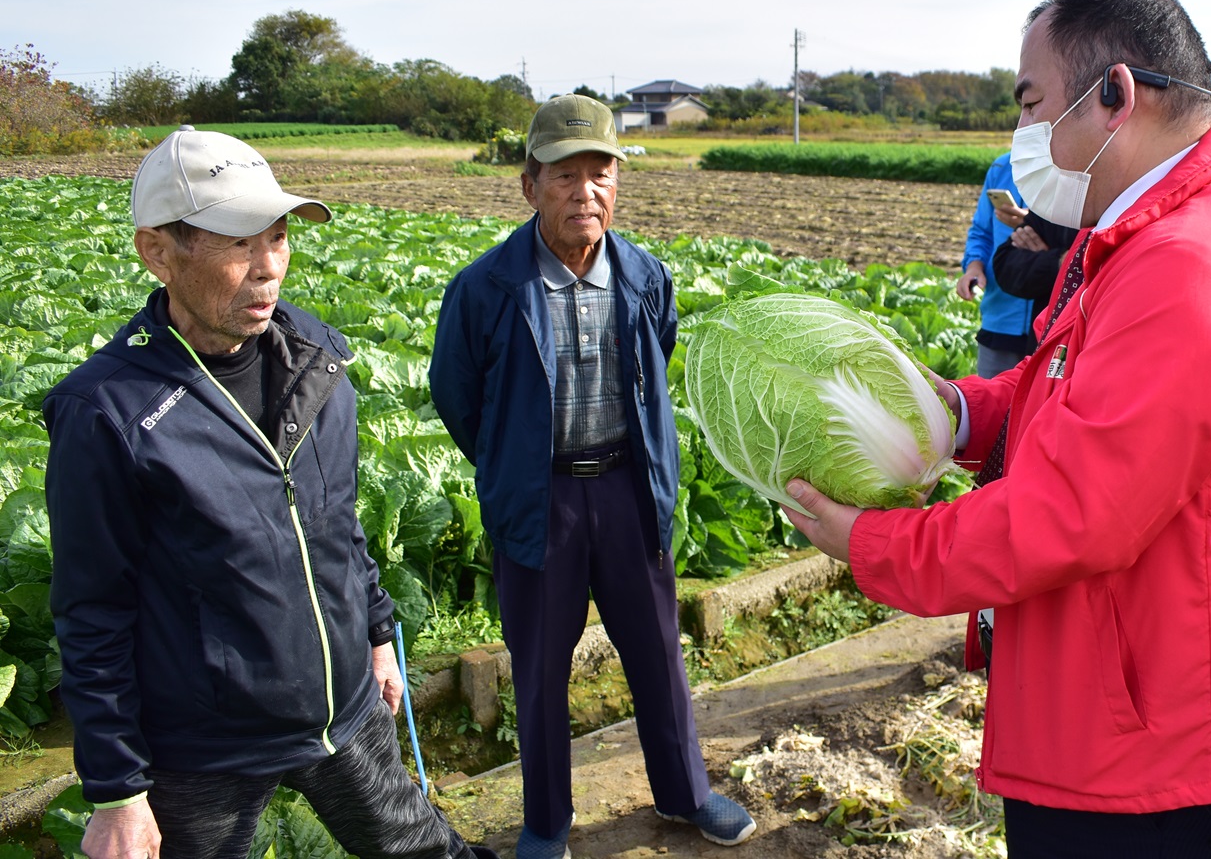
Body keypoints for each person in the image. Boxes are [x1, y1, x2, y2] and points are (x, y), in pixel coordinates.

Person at [784, 0, 1211, 859]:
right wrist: (957, 413)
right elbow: (1072, 392)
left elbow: (1067, 516)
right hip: (1136, 707)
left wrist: (873, 545)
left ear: (1115, 94)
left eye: (1032, 105)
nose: (1023, 136)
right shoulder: (1152, 232)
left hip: (1161, 752)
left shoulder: (1186, 268)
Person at [44, 126, 494, 859]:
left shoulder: (315, 360)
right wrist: (117, 790)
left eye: (279, 238)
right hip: (204, 748)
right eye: (235, 242)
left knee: (425, 850)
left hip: (341, 706)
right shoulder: (109, 413)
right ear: (158, 251)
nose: (267, 270)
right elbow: (92, 612)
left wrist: (377, 636)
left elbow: (337, 522)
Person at [428, 94, 755, 859]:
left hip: (626, 488)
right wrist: (510, 463)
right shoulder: (485, 290)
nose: (586, 192)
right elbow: (457, 395)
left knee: (657, 653)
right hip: (539, 499)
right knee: (540, 667)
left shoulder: (643, 275)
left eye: (600, 173)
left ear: (618, 181)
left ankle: (686, 794)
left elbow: (658, 360)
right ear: (529, 185)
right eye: (565, 175)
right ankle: (546, 822)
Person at [956, 155, 1034, 375]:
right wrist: (974, 266)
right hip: (999, 315)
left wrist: (1035, 223)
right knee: (992, 403)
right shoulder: (1002, 167)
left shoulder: (1075, 164)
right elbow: (982, 231)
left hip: (1049, 320)